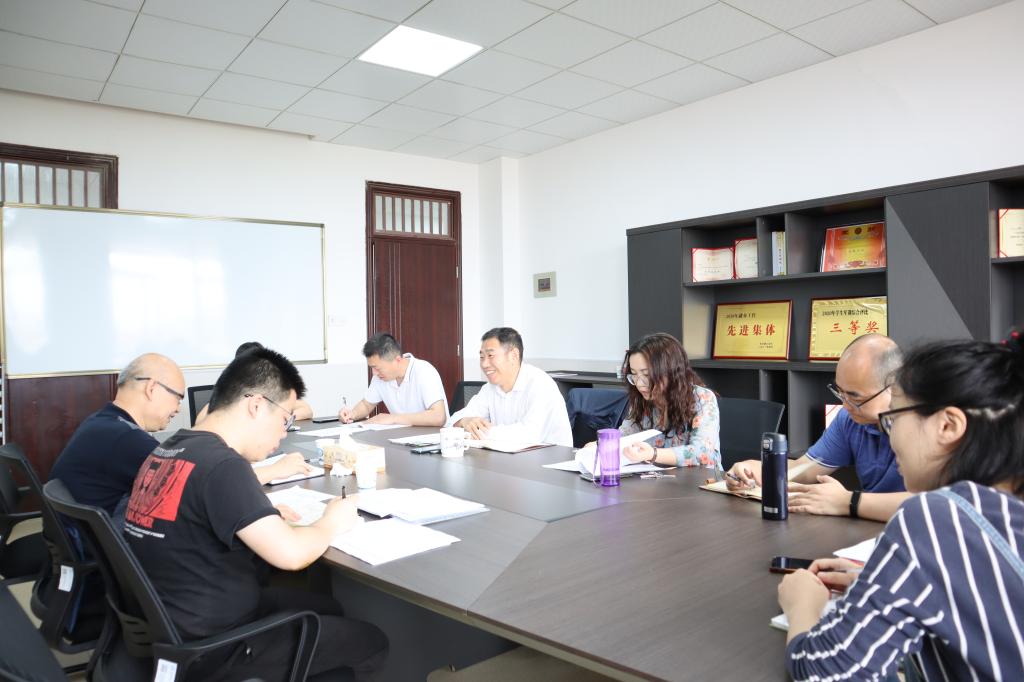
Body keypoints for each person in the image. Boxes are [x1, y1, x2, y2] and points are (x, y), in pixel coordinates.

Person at [124, 347, 387, 681]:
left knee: (328, 608)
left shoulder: (171, 448)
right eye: (285, 418)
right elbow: (292, 555)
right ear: (257, 405)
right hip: (218, 648)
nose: (284, 432)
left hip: (175, 625)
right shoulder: (224, 465)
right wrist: (331, 522)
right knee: (372, 642)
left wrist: (257, 513)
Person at [778, 332, 1024, 681]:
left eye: (893, 418)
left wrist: (802, 604)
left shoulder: (936, 518)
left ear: (948, 425)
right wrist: (888, 583)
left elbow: (825, 670)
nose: (889, 434)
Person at [727, 334, 911, 522]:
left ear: (894, 387)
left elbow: (928, 502)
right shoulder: (848, 419)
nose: (845, 405)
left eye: (855, 397)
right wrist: (758, 469)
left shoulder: (923, 425)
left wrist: (848, 501)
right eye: (840, 393)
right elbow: (805, 469)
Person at [49, 353, 185, 527]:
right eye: (178, 398)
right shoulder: (128, 439)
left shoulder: (101, 421)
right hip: (98, 541)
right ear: (151, 388)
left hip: (74, 536)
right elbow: (193, 489)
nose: (178, 409)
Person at [449, 327, 572, 447]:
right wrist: (464, 422)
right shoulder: (489, 388)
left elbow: (529, 434)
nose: (484, 364)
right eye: (482, 357)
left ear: (514, 355)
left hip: (549, 458)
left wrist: (478, 431)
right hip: (508, 456)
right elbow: (452, 421)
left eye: (490, 355)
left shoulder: (541, 384)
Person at [618, 333, 721, 469]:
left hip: (700, 479)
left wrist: (652, 454)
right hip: (658, 478)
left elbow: (702, 452)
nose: (639, 384)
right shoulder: (643, 400)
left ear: (671, 371)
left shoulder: (702, 398)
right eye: (634, 374)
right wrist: (601, 444)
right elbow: (623, 436)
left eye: (647, 375)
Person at [338, 333, 448, 427]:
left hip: (432, 439)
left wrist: (393, 418)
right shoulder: (379, 377)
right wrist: (352, 414)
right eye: (372, 368)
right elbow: (366, 405)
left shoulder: (424, 371)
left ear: (397, 360)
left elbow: (439, 417)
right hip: (401, 437)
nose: (374, 373)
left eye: (377, 368)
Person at [195, 341, 312, 423]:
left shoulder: (269, 387)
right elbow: (200, 421)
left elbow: (306, 410)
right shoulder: (231, 390)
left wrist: (281, 419)